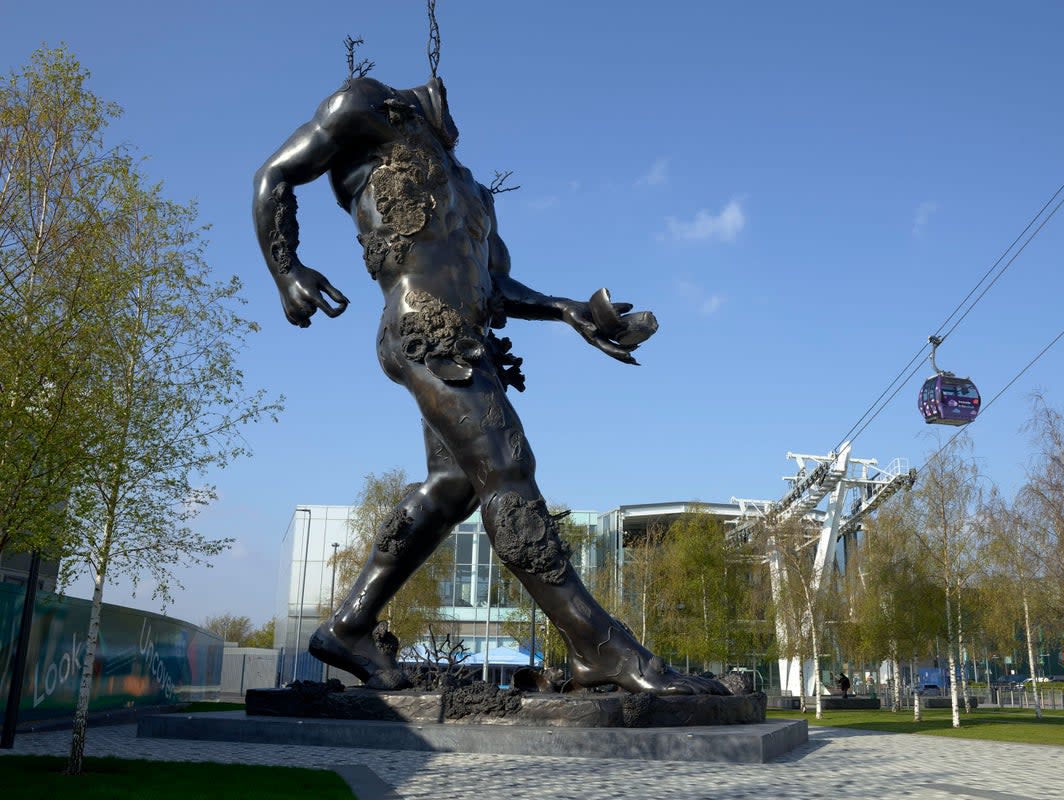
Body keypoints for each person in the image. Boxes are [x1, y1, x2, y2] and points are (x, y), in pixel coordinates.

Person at [252, 72, 726, 697]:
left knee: (453, 487)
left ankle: (349, 625)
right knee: (507, 464)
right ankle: (598, 645)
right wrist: (287, 271)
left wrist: (567, 311)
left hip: (469, 339)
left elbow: (492, 287)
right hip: (421, 328)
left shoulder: (473, 192)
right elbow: (274, 176)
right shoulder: (365, 105)